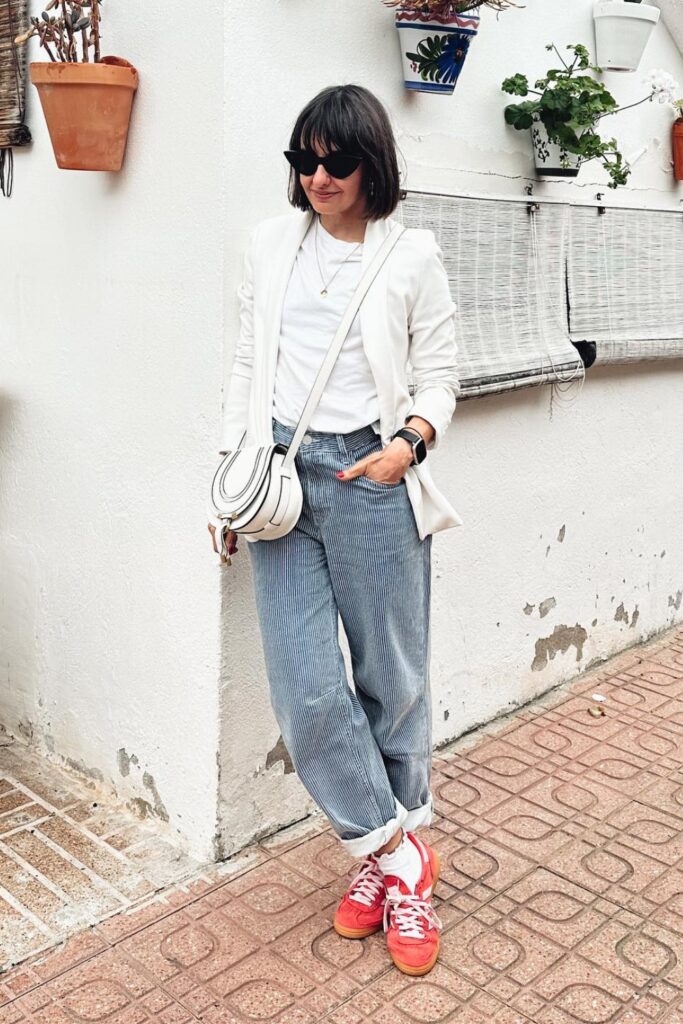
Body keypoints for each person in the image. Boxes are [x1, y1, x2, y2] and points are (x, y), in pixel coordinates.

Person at [208, 83, 463, 977]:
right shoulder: (269, 244)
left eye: (337, 161)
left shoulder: (410, 254)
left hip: (368, 478)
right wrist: (229, 481)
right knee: (307, 692)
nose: (319, 177)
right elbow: (248, 363)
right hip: (281, 477)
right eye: (304, 160)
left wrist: (406, 446)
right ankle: (397, 851)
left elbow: (440, 374)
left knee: (391, 681)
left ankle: (389, 872)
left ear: (370, 164)